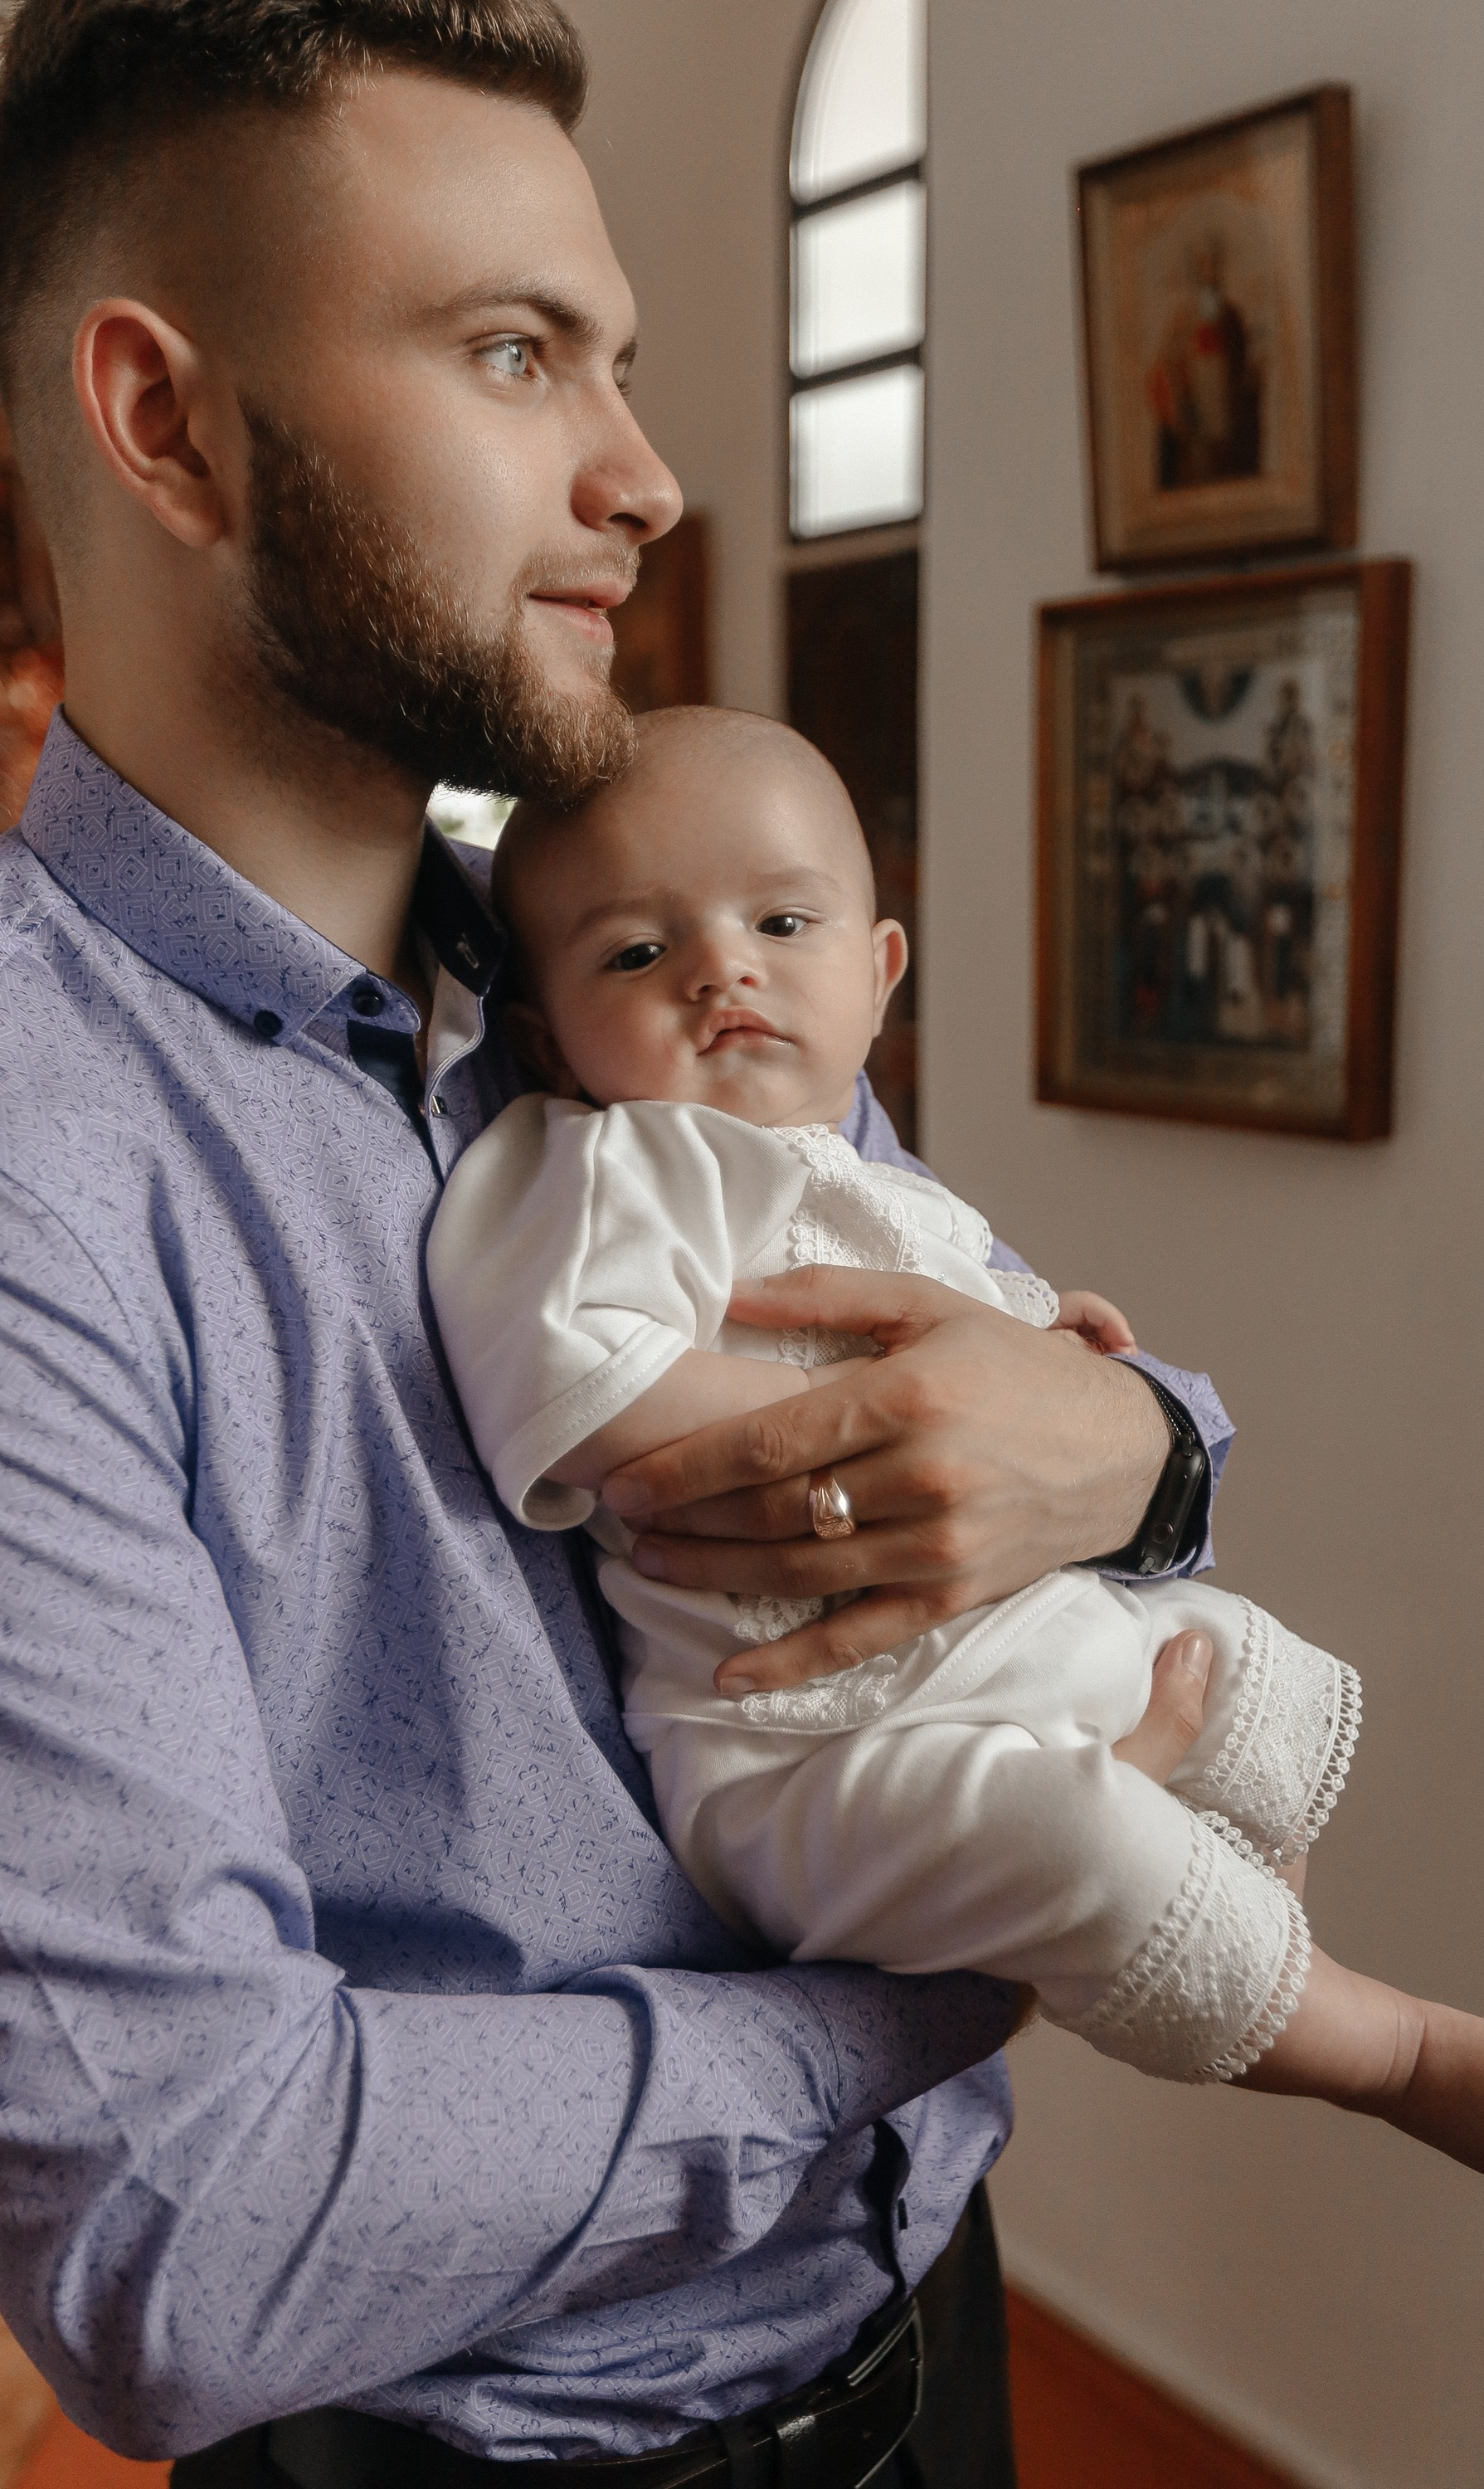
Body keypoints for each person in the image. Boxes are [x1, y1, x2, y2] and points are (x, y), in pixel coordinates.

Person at [0, 1, 1234, 2481]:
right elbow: (185, 2226)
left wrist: (1135, 1447)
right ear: (168, 427)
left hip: (931, 2334)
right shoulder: (40, 1167)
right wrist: (956, 1978)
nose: (649, 476)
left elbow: (1008, 1398)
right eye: (512, 351)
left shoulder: (639, 956)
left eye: (623, 359)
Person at [431, 705, 1484, 2205]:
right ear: (550, 1032)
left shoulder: (880, 1174)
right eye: (635, 953)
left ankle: (1260, 1935)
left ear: (879, 976)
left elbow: (1027, 1407)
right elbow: (568, 1379)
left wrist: (1049, 1346)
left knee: (1232, 1650)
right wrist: (867, 1412)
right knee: (1067, 1835)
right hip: (807, 1759)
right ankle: (1393, 2053)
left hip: (1004, 1652)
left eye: (781, 920)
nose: (719, 970)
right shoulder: (609, 1162)